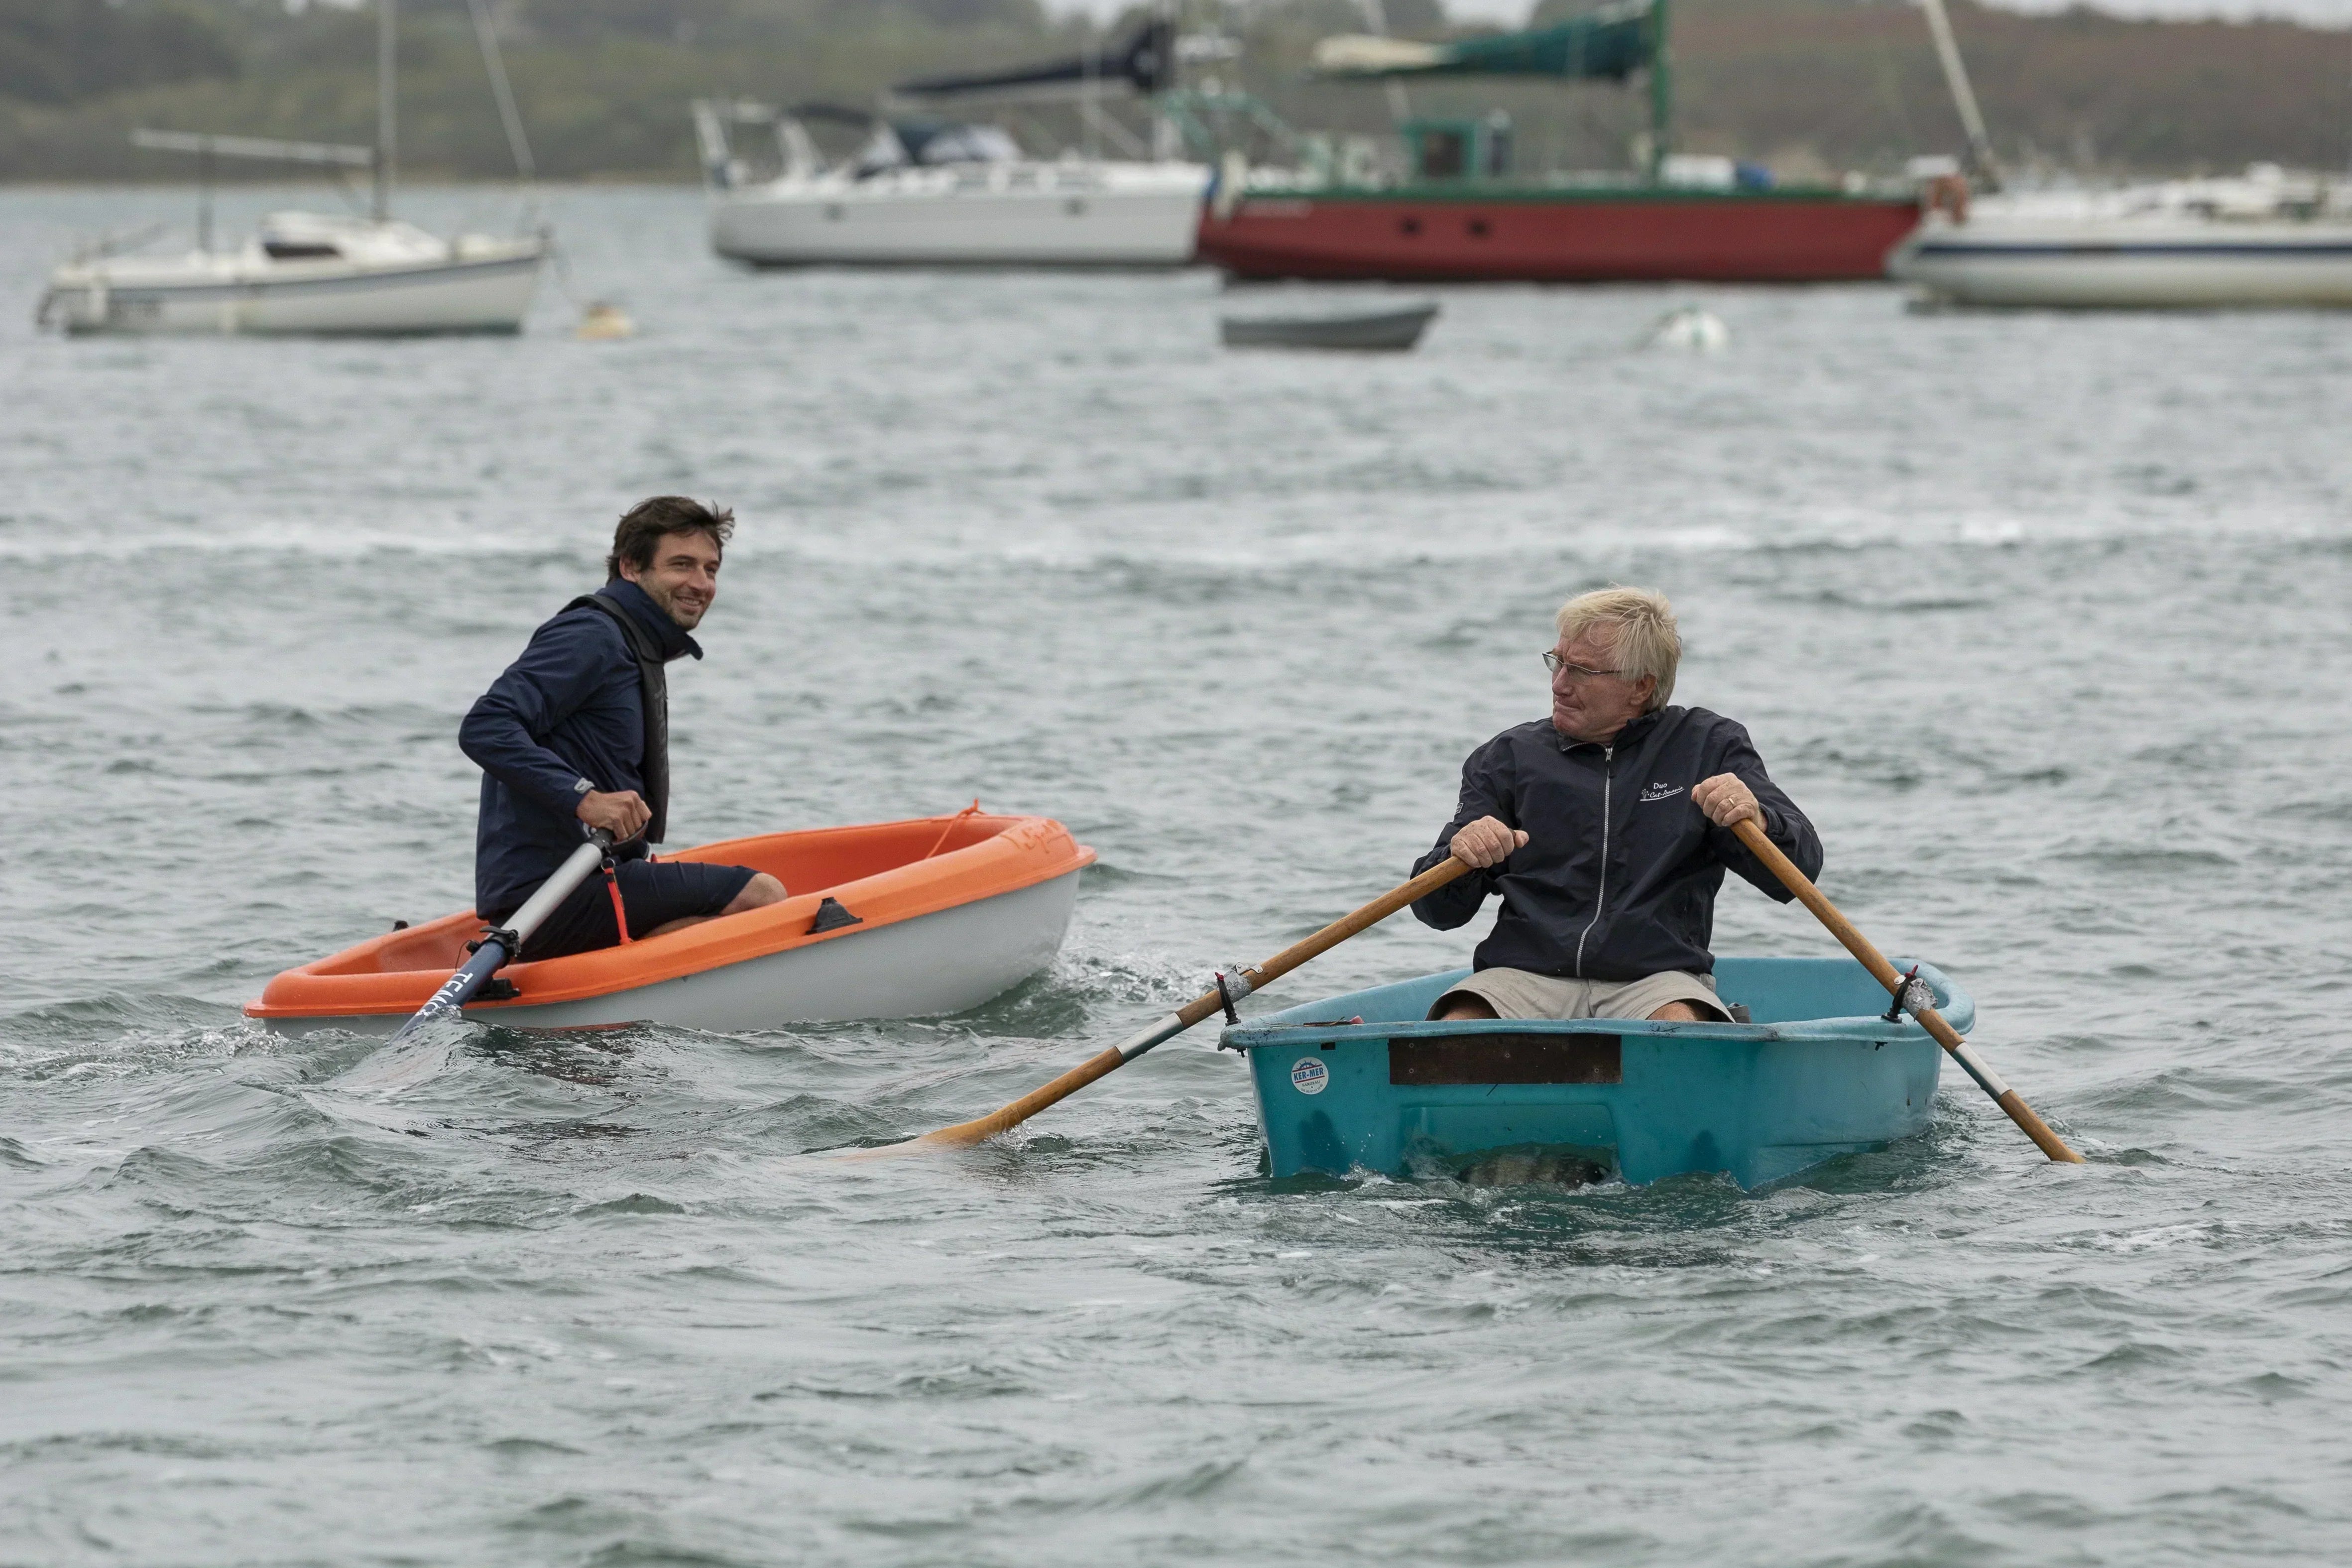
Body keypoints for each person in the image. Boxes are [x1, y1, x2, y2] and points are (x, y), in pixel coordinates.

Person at [1411, 587, 1821, 1024]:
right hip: (1524, 974)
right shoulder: (1507, 758)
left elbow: (1799, 875)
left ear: (1641, 686)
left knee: (1676, 1023)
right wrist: (1462, 857)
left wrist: (1758, 819)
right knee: (1459, 1025)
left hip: (1656, 979)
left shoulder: (1710, 747)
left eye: (1580, 670)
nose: (1558, 684)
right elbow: (1436, 911)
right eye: (1557, 662)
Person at [459, 496, 785, 961]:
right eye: (682, 564)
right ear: (631, 567)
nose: (701, 583)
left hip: (590, 877)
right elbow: (486, 725)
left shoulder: (633, 641)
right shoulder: (592, 635)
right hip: (551, 896)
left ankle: (631, 970)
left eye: (711, 569)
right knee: (762, 895)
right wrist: (585, 798)